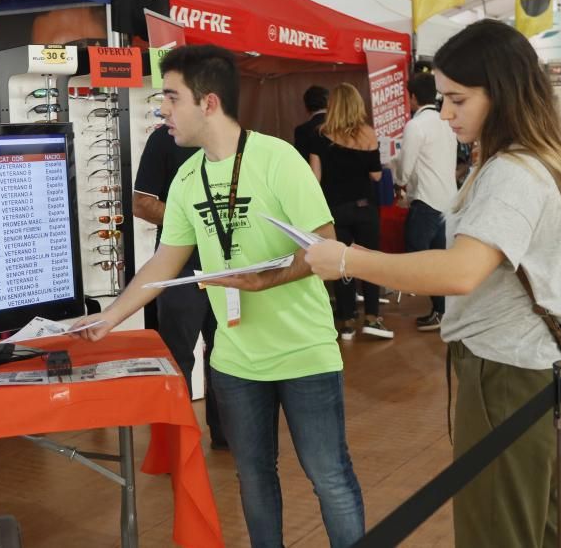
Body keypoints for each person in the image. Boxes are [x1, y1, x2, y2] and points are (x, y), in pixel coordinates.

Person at [304, 19, 561, 548]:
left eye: (459, 99)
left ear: (500, 93)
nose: (447, 113)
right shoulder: (516, 160)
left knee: (498, 529)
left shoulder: (512, 171)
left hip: (506, 371)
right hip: (515, 365)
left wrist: (349, 261)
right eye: (443, 98)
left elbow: (460, 271)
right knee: (527, 524)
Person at [73, 44, 365, 546]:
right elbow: (165, 263)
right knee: (253, 478)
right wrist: (110, 317)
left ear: (208, 102)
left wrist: (265, 280)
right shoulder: (188, 178)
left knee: (329, 477)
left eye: (171, 96)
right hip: (233, 361)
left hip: (305, 354)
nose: (162, 109)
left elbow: (327, 247)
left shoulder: (278, 159)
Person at [133, 123, 227, 449]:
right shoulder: (165, 138)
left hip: (230, 268)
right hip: (180, 267)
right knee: (177, 359)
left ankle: (227, 435)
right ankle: (178, 444)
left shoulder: (236, 139)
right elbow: (142, 202)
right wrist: (196, 222)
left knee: (227, 354)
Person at [309, 83, 390, 339]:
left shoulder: (319, 135)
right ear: (357, 104)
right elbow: (376, 176)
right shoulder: (368, 135)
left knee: (340, 263)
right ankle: (372, 318)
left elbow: (315, 177)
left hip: (334, 210)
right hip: (365, 208)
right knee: (370, 262)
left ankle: (345, 321)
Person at [394, 71, 457, 331]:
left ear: (413, 97)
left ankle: (442, 310)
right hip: (448, 199)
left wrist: (398, 182)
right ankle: (443, 311)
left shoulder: (416, 126)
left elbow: (406, 165)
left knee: (419, 256)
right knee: (439, 259)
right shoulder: (446, 121)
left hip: (426, 199)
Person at [293, 85, 328, 160]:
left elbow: (301, 161)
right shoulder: (338, 126)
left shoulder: (302, 130)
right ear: (329, 104)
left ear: (306, 107)